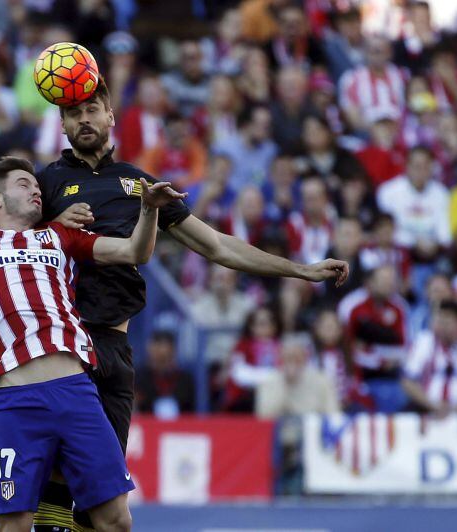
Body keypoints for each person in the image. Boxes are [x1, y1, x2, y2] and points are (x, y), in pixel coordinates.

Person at [35, 77, 348, 532]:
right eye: (73, 112)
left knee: (101, 513)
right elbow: (0, 239)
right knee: (54, 492)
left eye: (92, 109)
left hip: (114, 351)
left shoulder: (141, 185)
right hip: (63, 349)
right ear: (61, 123)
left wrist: (300, 269)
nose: (84, 119)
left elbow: (219, 246)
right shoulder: (45, 183)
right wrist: (53, 227)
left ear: (110, 116)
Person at [0, 156, 184, 532]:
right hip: (17, 401)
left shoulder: (58, 235)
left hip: (76, 391)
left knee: (116, 520)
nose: (36, 189)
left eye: (36, 185)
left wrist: (147, 209)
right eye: (23, 184)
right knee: (12, 525)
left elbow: (134, 252)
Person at [339, 265, 409, 412]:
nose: (389, 285)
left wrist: (372, 352)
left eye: (392, 281)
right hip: (356, 372)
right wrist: (375, 358)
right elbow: (345, 344)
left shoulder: (400, 306)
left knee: (399, 398)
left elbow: (404, 346)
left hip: (390, 374)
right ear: (369, 283)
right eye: (384, 280)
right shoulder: (351, 305)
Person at [255, 333, 340, 418]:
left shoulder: (321, 380)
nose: (292, 362)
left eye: (296, 357)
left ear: (305, 357)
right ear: (280, 357)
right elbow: (263, 415)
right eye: (288, 357)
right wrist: (286, 385)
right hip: (278, 428)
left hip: (313, 428)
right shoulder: (269, 380)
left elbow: (333, 414)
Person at [402, 300, 457, 414]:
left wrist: (455, 409)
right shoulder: (424, 342)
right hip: (426, 409)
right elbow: (407, 381)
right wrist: (432, 405)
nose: (443, 326)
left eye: (448, 321)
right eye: (441, 320)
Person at [135, 330, 195, 417]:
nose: (160, 354)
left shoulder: (185, 379)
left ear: (173, 351)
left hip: (179, 426)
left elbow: (191, 411)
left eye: (165, 356)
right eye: (156, 348)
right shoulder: (139, 377)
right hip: (148, 424)